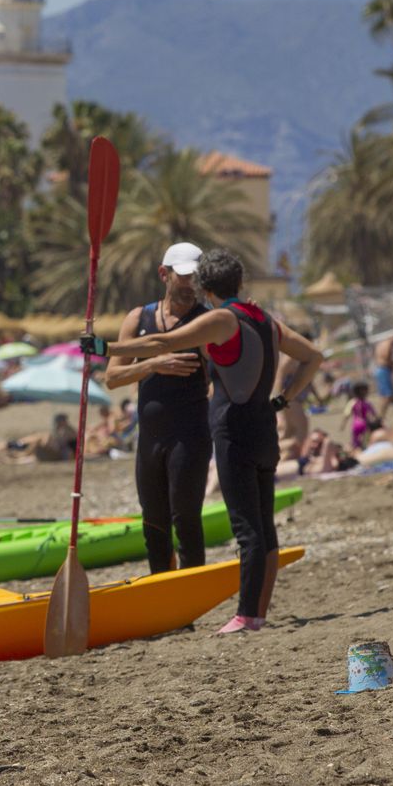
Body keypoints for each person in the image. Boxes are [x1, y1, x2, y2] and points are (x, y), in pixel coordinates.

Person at [86, 249, 323, 634]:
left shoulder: (216, 319)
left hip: (221, 431)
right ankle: (250, 612)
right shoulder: (260, 317)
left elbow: (160, 344)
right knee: (239, 526)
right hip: (251, 426)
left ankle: (238, 614)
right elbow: (313, 355)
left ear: (205, 286)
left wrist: (103, 348)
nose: (186, 284)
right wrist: (284, 398)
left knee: (228, 526)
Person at [104, 241, 211, 574]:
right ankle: (163, 589)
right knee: (153, 520)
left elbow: (222, 377)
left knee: (186, 516)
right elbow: (113, 377)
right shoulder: (138, 318)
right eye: (183, 277)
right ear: (164, 274)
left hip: (190, 434)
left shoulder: (206, 321)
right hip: (149, 437)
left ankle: (190, 598)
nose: (190, 285)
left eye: (195, 277)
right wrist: (152, 365)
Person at [345, 382, 380, 451]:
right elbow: (374, 414)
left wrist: (343, 425)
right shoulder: (367, 403)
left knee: (355, 440)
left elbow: (347, 414)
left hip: (355, 423)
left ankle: (356, 448)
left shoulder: (352, 402)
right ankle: (365, 448)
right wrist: (378, 420)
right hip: (364, 423)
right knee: (366, 439)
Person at [373, 333, 393, 418]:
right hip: (384, 370)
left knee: (386, 395)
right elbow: (387, 357)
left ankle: (383, 415)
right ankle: (380, 417)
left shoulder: (380, 344)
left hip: (380, 369)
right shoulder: (389, 344)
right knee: (387, 395)